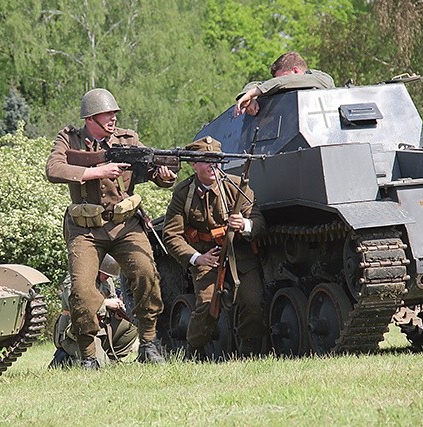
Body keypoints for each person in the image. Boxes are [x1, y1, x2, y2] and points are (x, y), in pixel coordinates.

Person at [45, 88, 176, 369]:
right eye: (107, 114)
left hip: (125, 225)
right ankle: (89, 355)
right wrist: (95, 172)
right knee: (81, 290)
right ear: (91, 117)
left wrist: (164, 175)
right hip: (85, 229)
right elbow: (53, 169)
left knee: (145, 273)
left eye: (115, 114)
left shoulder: (128, 140)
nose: (113, 118)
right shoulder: (70, 138)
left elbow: (153, 171)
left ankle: (149, 343)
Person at [162, 136, 266, 359]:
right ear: (194, 164)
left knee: (253, 302)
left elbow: (258, 222)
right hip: (207, 258)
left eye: (217, 160)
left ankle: (249, 353)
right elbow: (171, 235)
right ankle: (195, 351)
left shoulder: (237, 186)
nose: (213, 165)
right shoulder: (183, 193)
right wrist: (196, 258)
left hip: (240, 257)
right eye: (206, 160)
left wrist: (245, 225)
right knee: (208, 306)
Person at [49, 255, 139, 368]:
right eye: (105, 274)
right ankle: (67, 361)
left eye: (109, 275)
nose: (107, 277)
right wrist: (105, 303)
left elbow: (110, 299)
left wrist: (117, 310)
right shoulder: (76, 279)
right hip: (76, 332)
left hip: (99, 328)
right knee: (100, 364)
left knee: (131, 327)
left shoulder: (107, 281)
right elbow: (77, 305)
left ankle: (110, 359)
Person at [235, 51, 335, 117]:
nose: (281, 82)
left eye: (284, 77)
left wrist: (255, 92)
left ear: (296, 71)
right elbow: (256, 83)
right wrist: (249, 97)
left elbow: (285, 82)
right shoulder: (278, 83)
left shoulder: (321, 78)